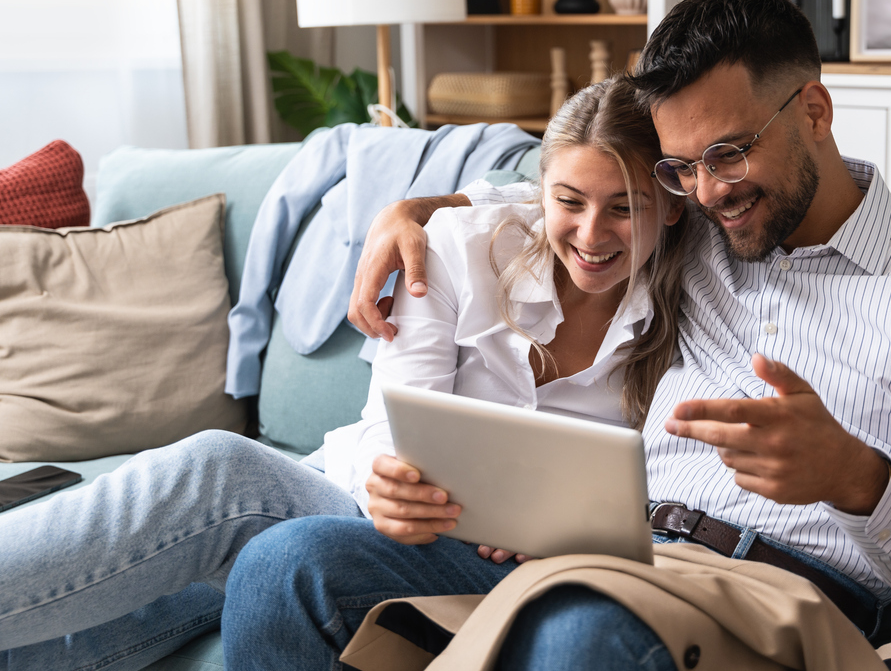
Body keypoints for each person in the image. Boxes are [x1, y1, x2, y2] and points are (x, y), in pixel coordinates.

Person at [221, 0, 891, 670]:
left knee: (575, 637)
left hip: (781, 594)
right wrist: (417, 210)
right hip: (609, 555)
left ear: (813, 108)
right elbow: (576, 200)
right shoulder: (702, 226)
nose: (707, 192)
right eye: (681, 170)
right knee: (285, 564)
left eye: (728, 153)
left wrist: (855, 477)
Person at [0, 76, 687, 668]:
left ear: (672, 203)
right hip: (382, 526)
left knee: (223, 477)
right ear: (539, 190)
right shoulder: (461, 244)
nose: (593, 234)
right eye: (569, 200)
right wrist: (386, 478)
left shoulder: (702, 297)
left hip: (545, 566)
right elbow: (389, 428)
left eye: (626, 208)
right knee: (174, 584)